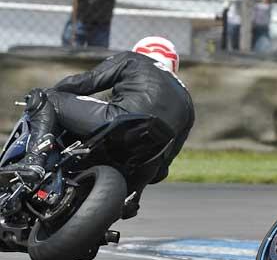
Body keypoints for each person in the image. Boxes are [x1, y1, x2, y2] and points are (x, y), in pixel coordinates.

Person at [1, 36, 195, 219]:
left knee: (45, 97)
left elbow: (87, 82)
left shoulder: (134, 59)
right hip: (146, 163)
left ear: (140, 51)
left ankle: (34, 160)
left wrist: (50, 94)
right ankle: (128, 199)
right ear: (173, 64)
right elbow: (163, 168)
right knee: (145, 176)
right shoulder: (188, 102)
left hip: (118, 120)